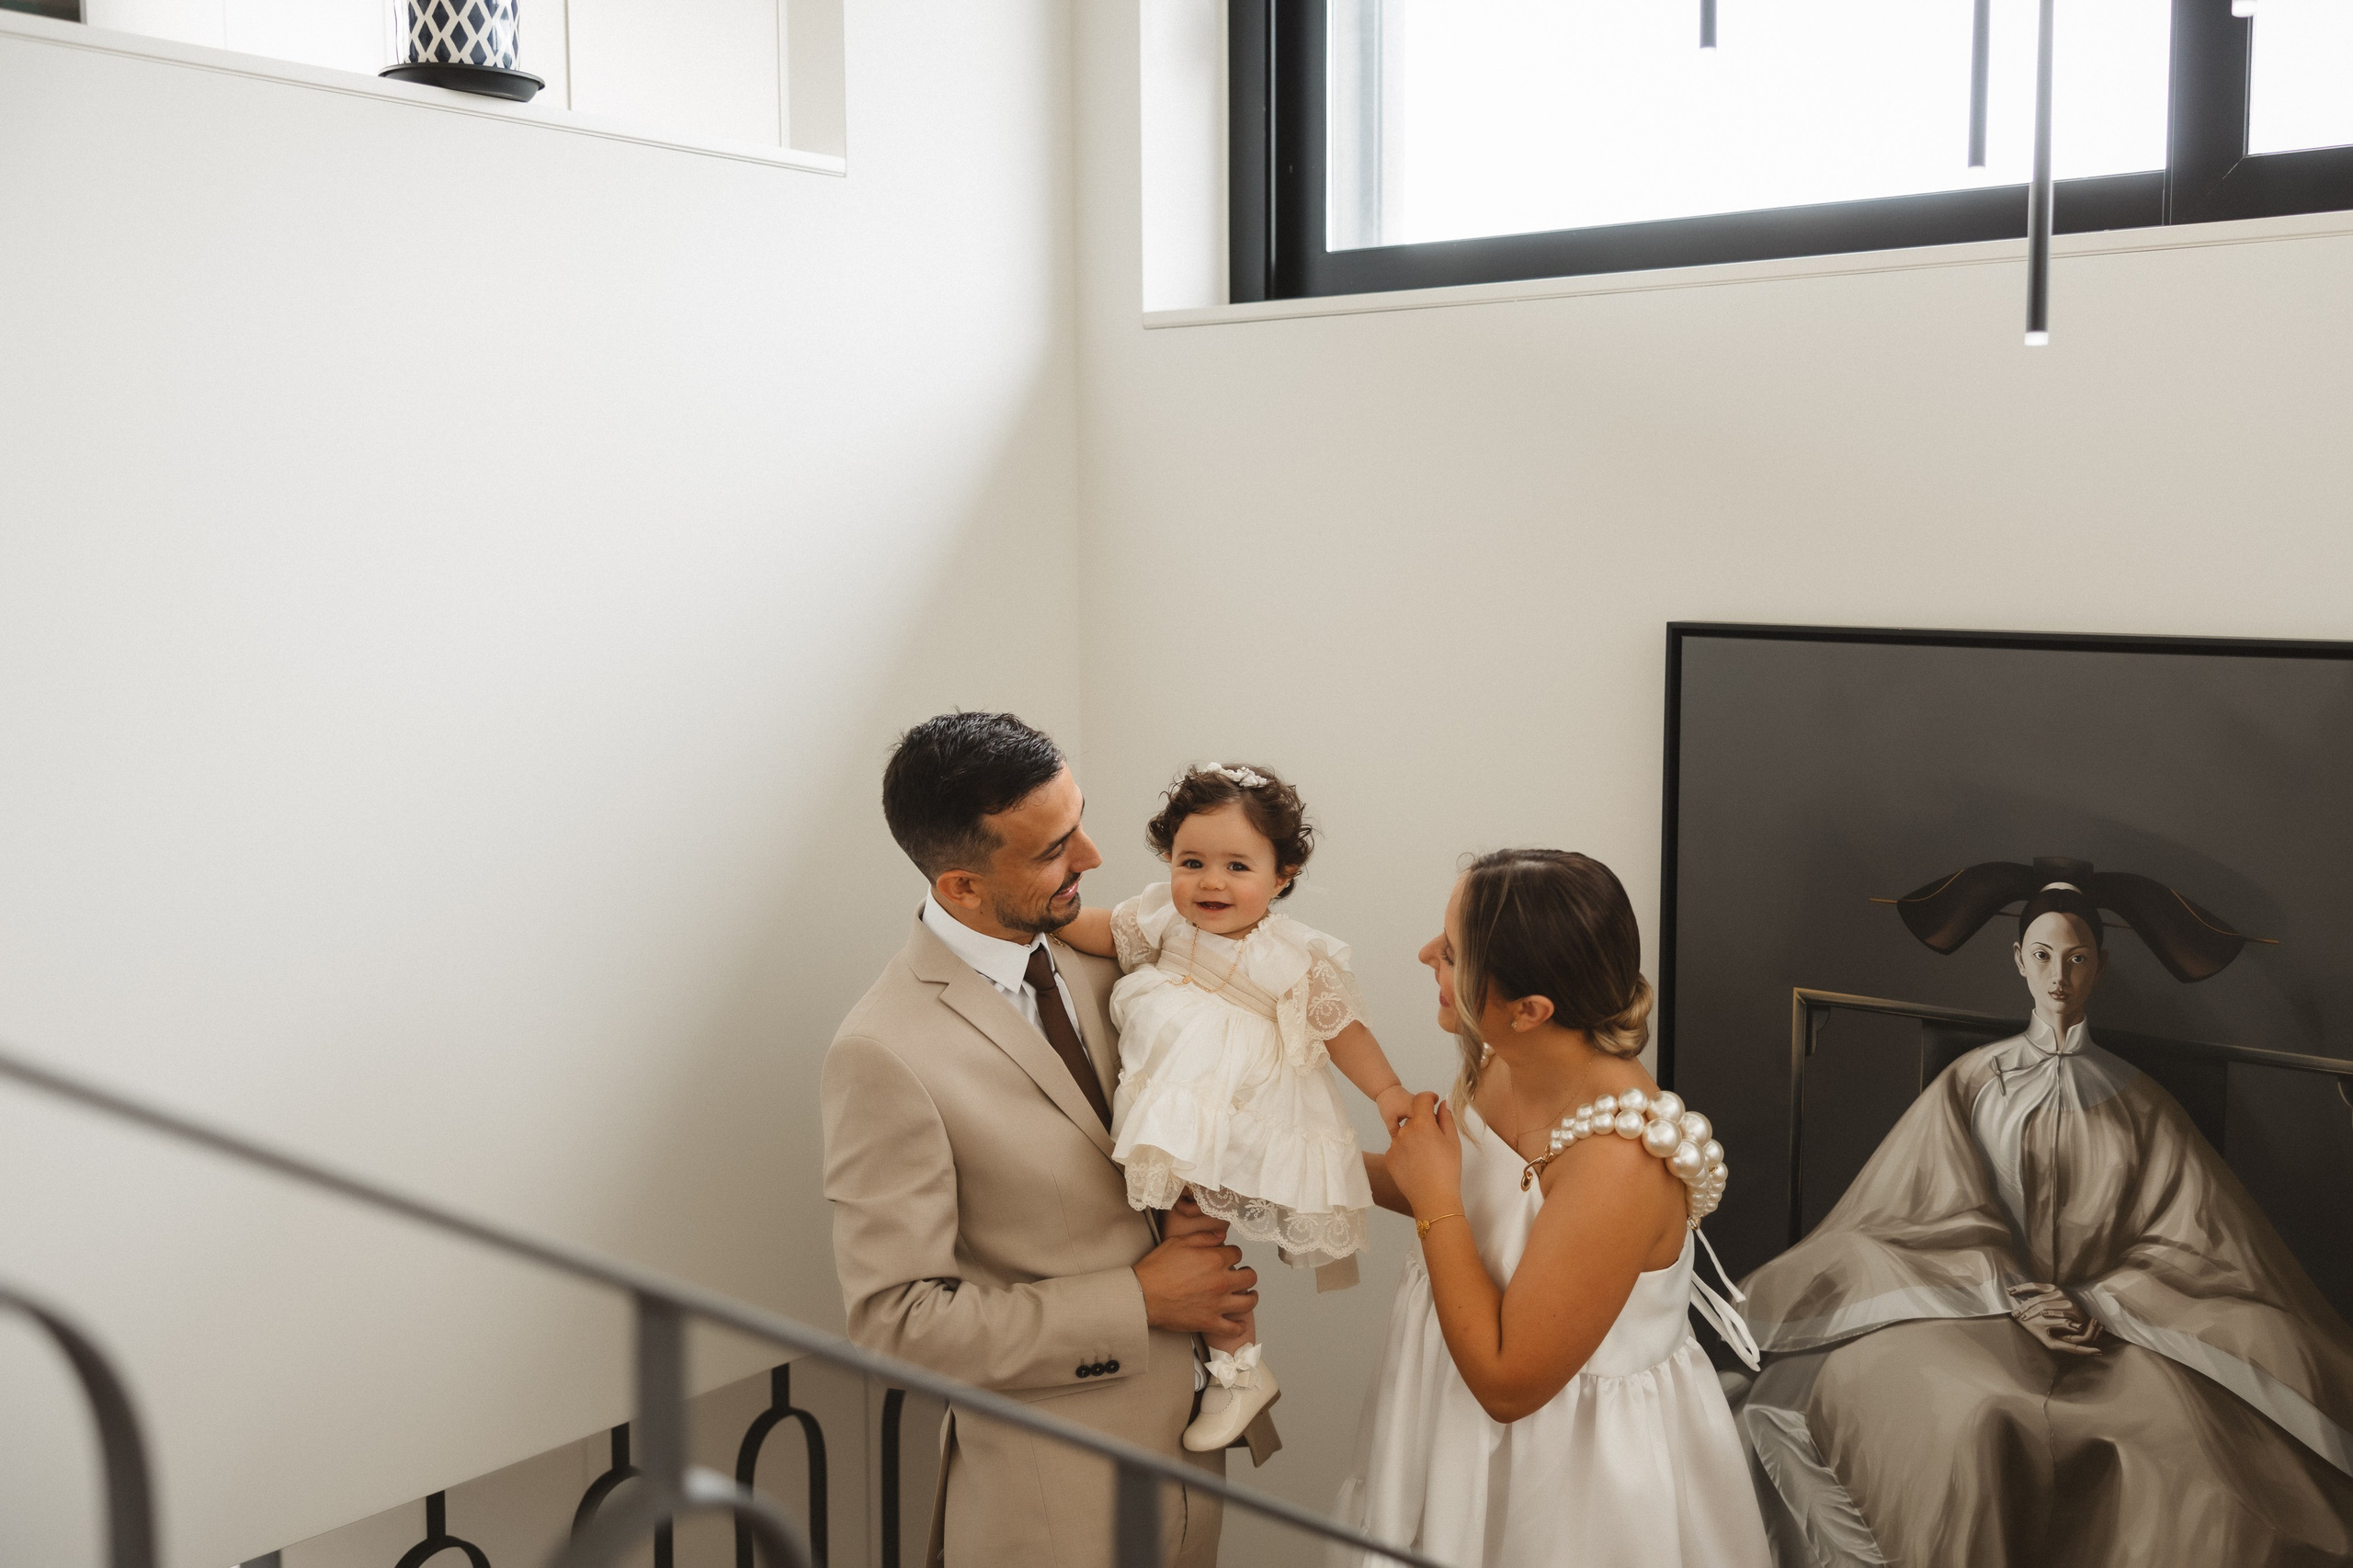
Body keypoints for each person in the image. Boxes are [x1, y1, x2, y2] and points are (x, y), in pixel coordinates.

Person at [1731, 859, 2353, 1567]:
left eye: (2078, 958)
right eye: (2044, 956)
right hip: (1977, 1316)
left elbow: (2194, 1238)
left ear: (2101, 967)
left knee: (2184, 1468)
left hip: (2117, 1336)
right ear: (2019, 962)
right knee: (1971, 1422)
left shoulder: (2143, 1103)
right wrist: (2011, 1295)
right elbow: (1923, 1209)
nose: (2060, 976)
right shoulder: (1969, 1084)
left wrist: (2096, 1301)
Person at [821, 712, 1278, 1568]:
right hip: (1049, 1514)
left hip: (1193, 1465)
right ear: (961, 886)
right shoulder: (882, 1053)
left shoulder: (1113, 958)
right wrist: (1140, 1301)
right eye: (1054, 849)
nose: (1095, 858)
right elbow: (895, 1324)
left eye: (1079, 821)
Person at [1329, 848, 1772, 1567]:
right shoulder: (1508, 1057)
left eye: (1451, 952)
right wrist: (1273, 1168)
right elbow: (1474, 1203)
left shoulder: (1617, 1162)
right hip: (1450, 1426)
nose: (1425, 956)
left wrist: (1433, 1192)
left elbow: (1509, 1383)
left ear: (1531, 1009)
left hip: (1566, 1476)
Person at [1059, 763, 1415, 1452]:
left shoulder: (1289, 957)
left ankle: (1238, 1367)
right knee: (1173, 1230)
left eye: (1237, 866)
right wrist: (1051, 922)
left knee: (1194, 1233)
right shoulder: (1161, 917)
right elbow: (1100, 929)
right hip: (1180, 1110)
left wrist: (1389, 1093)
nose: (1211, 882)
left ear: (1282, 876)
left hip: (1232, 1114)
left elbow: (1344, 1033)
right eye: (1191, 862)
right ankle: (1221, 1359)